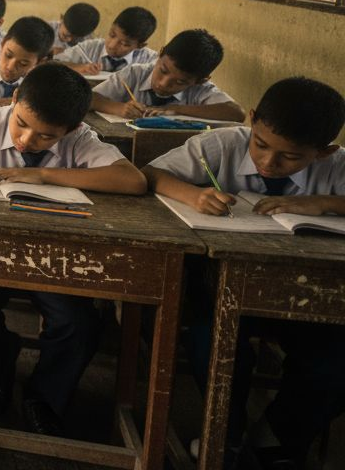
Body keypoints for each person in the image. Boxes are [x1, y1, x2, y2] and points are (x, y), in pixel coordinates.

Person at [0, 63, 147, 436]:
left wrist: (43, 174)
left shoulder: (80, 139)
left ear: (72, 129)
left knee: (79, 325)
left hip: (54, 259)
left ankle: (43, 396)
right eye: (21, 124)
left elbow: (132, 180)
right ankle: (1, 364)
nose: (25, 141)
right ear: (15, 99)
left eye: (45, 137)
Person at [144, 77, 345, 468]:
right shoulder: (219, 146)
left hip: (307, 297)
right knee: (214, 341)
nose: (268, 162)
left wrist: (324, 203)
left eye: (291, 158)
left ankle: (277, 436)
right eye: (262, 144)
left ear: (324, 152)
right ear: (252, 120)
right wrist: (193, 194)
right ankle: (225, 432)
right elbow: (148, 175)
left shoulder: (337, 167)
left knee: (334, 361)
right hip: (219, 289)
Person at [91, 29, 245, 122]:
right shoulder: (134, 74)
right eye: (163, 71)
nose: (163, 84)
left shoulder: (201, 89)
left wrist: (178, 109)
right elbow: (89, 98)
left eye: (180, 82)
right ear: (160, 53)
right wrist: (119, 108)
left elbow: (236, 112)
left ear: (200, 81)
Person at [56, 6, 158, 74]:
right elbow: (52, 63)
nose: (111, 45)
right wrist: (79, 67)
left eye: (124, 44)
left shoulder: (149, 61)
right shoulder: (89, 48)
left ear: (140, 46)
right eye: (112, 35)